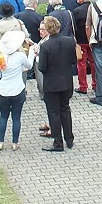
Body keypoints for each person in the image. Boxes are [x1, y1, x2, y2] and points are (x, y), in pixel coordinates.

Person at [35, 16, 76, 152]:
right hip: (66, 81)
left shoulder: (45, 46)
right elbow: (73, 60)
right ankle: (69, 139)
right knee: (65, 109)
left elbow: (42, 67)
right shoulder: (69, 41)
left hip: (51, 84)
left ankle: (58, 142)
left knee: (53, 113)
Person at [0, 30, 33, 150]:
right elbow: (29, 66)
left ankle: (0, 142)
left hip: (4, 91)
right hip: (18, 90)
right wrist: (31, 53)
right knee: (16, 117)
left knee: (3, 116)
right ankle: (15, 143)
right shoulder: (20, 56)